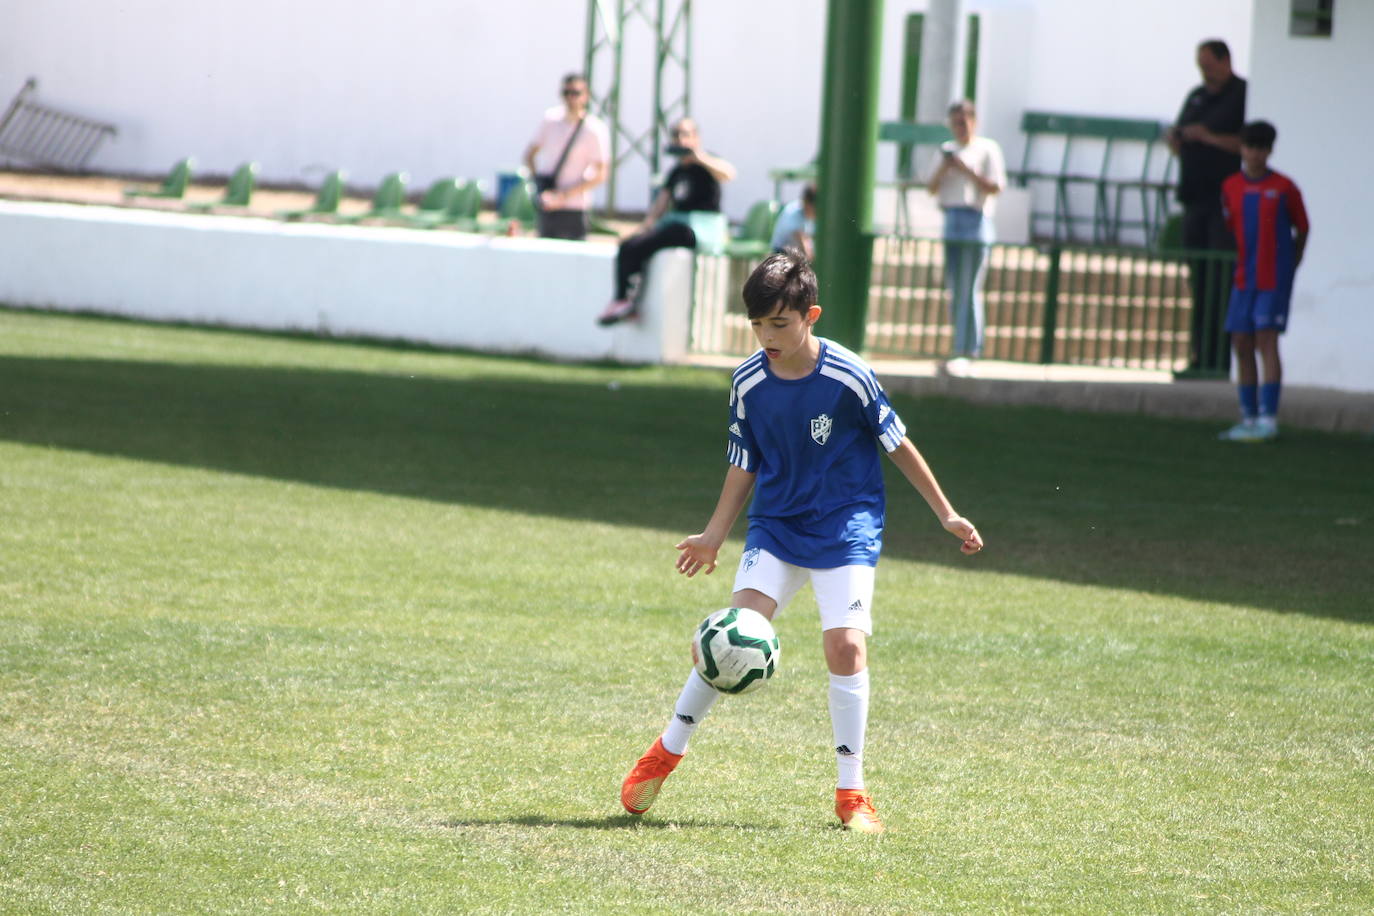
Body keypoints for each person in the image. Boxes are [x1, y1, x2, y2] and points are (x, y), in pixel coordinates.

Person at [618, 251, 984, 833]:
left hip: (847, 526)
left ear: (810, 315)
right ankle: (666, 750)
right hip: (778, 525)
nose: (767, 336)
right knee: (731, 636)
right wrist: (714, 535)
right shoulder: (748, 382)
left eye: (780, 324)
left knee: (846, 648)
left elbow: (898, 444)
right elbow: (743, 464)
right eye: (758, 325)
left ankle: (851, 793)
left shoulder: (848, 375)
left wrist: (946, 513)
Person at [1216, 121, 1309, 443]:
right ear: (1242, 148)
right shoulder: (1230, 186)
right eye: (1249, 146)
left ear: (1269, 150)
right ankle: (1248, 417)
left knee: (1266, 341)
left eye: (1260, 147)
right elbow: (1232, 226)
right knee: (1241, 343)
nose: (1254, 154)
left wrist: (1291, 264)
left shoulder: (1284, 187)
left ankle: (1269, 419)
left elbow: (1303, 228)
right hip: (1245, 277)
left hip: (1272, 278)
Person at [597, 118, 736, 326]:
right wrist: (642, 229)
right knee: (630, 246)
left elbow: (728, 173)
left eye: (685, 134)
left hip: (699, 229)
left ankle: (627, 300)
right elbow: (660, 205)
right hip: (677, 224)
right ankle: (623, 300)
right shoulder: (676, 172)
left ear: (696, 138)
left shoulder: (708, 163)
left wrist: (699, 157)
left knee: (669, 233)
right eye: (676, 135)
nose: (681, 140)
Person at [1166, 39, 1247, 372]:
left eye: (1210, 65)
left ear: (1225, 60)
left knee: (1220, 280)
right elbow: (1181, 135)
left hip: (1223, 204)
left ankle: (1219, 358)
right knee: (1198, 280)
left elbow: (1246, 144)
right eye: (1201, 66)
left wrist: (1207, 136)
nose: (1205, 72)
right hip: (1194, 201)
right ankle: (1200, 357)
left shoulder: (1241, 95)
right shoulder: (1196, 96)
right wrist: (1178, 139)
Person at [926, 100, 1006, 363]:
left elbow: (995, 187)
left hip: (976, 220)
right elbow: (931, 187)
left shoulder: (986, 149)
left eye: (964, 121)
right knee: (955, 288)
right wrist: (945, 167)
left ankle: (970, 348)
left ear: (974, 121)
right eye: (955, 122)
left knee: (970, 289)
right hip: (952, 220)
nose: (960, 127)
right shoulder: (946, 150)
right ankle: (958, 345)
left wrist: (966, 170)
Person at [523, 73, 610, 241]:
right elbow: (529, 155)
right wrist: (539, 185)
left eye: (576, 93)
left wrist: (564, 195)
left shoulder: (594, 129)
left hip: (575, 206)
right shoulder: (550, 120)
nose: (571, 98)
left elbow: (601, 173)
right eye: (566, 93)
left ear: (586, 96)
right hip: (547, 204)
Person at [769, 182, 817, 258]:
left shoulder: (807, 214)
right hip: (781, 255)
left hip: (795, 254)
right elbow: (806, 247)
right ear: (808, 204)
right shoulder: (793, 212)